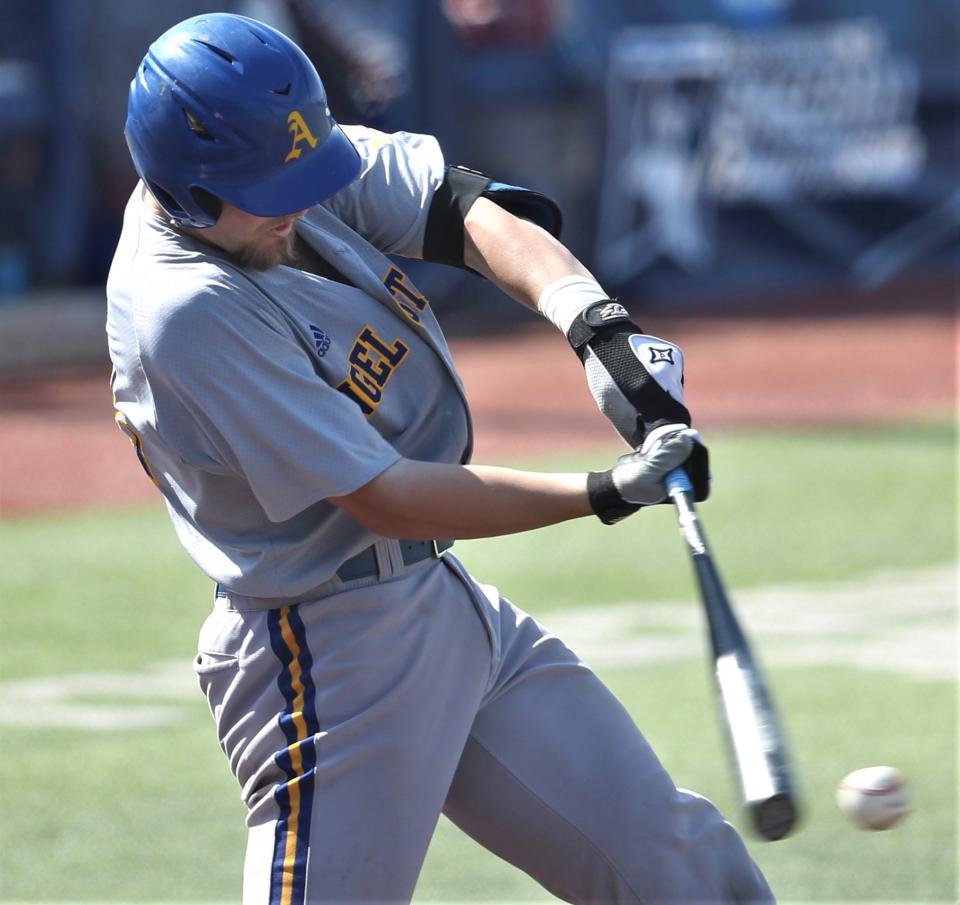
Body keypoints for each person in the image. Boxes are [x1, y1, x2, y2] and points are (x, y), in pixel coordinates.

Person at [107, 13, 774, 905]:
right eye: (273, 188)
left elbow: (460, 210)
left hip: (440, 607)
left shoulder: (271, 173)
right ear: (188, 190)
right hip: (326, 652)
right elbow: (387, 498)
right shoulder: (182, 308)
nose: (300, 200)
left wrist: (597, 329)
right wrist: (606, 490)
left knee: (676, 863)